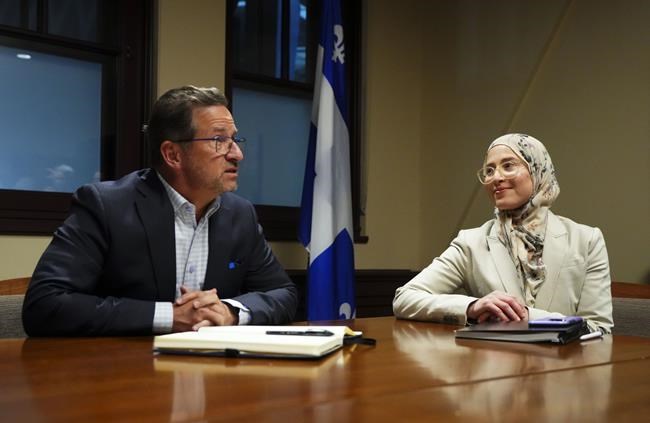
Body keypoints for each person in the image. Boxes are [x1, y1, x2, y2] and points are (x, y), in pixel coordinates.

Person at [22, 86, 297, 336]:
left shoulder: (240, 214)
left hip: (212, 368)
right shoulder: (107, 206)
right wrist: (170, 317)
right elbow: (45, 304)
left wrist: (230, 312)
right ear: (173, 155)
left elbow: (283, 293)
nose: (237, 154)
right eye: (219, 140)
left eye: (234, 140)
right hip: (120, 368)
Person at [393, 133, 613, 333]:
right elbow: (405, 298)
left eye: (508, 166)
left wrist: (529, 316)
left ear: (538, 170)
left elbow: (599, 328)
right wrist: (471, 307)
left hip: (567, 362)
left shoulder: (586, 240)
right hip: (496, 361)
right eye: (489, 171)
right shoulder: (471, 243)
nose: (495, 177)